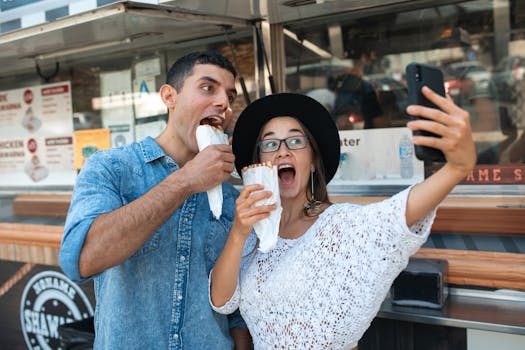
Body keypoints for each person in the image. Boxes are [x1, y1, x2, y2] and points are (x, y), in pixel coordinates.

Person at [209, 89, 476, 349]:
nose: (282, 151)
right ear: (260, 163)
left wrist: (456, 169)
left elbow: (399, 213)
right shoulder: (254, 233)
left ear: (313, 160)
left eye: (295, 141)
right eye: (270, 144)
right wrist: (238, 232)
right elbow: (222, 301)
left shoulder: (338, 227)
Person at [59, 51, 252, 349]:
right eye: (207, 88)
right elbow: (82, 260)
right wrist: (186, 181)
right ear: (169, 96)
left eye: (229, 95)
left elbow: (235, 309)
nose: (224, 104)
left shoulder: (229, 197)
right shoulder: (110, 168)